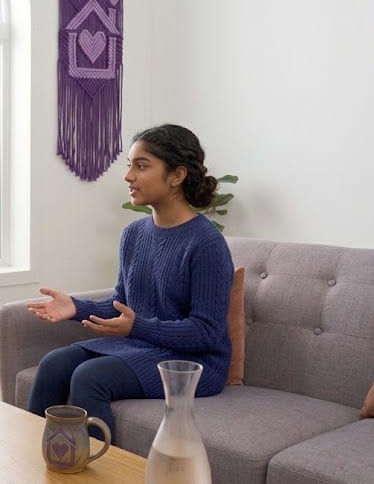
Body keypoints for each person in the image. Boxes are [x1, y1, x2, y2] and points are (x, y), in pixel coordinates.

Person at [26, 124, 233, 439]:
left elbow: (207, 332)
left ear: (176, 176)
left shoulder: (206, 243)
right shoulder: (134, 234)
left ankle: (100, 473)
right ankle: (33, 462)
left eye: (142, 166)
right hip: (143, 345)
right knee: (53, 364)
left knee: (89, 377)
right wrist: (76, 307)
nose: (128, 177)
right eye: (130, 166)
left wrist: (139, 328)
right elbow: (121, 306)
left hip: (196, 363)